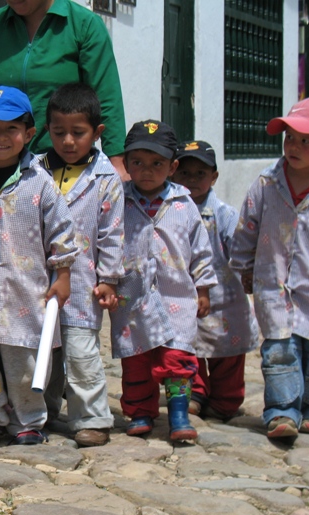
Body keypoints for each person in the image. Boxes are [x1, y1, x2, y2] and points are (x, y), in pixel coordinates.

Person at [0, 86, 78, 446]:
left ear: (28, 133)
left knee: (25, 360)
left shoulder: (40, 184)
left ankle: (28, 420)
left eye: (11, 129)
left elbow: (63, 233)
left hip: (25, 292)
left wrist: (64, 274)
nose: (1, 138)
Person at [111, 120, 216, 441]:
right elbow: (108, 242)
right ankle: (140, 411)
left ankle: (180, 413)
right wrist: (107, 280)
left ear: (172, 167)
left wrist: (202, 288)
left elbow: (201, 250)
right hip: (133, 300)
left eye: (157, 164)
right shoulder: (118, 201)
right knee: (136, 360)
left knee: (177, 359)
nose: (146, 170)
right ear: (126, 164)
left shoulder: (183, 205)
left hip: (176, 298)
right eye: (138, 163)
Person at [42, 83, 123, 447]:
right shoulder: (36, 170)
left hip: (83, 280)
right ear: (47, 130)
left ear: (97, 132)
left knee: (80, 350)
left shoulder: (106, 179)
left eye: (79, 133)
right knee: (42, 349)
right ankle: (39, 413)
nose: (69, 141)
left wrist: (108, 278)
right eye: (59, 133)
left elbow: (112, 233)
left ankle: (91, 417)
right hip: (39, 280)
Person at [230, 97, 309, 438]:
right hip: (274, 287)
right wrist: (243, 267)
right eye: (289, 137)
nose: (293, 146)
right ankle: (281, 412)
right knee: (279, 352)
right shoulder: (266, 183)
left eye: (305, 140)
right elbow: (247, 227)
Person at [0, 0, 126, 176]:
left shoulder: (84, 25)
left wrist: (117, 161)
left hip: (65, 164)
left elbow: (106, 97)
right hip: (4, 164)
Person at [172, 140, 258, 421]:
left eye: (200, 174)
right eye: (185, 173)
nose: (192, 180)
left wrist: (249, 272)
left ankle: (225, 400)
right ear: (174, 173)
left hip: (225, 299)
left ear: (214, 177)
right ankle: (195, 393)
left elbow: (240, 247)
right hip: (186, 295)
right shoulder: (171, 209)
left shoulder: (225, 215)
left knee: (227, 354)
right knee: (188, 346)